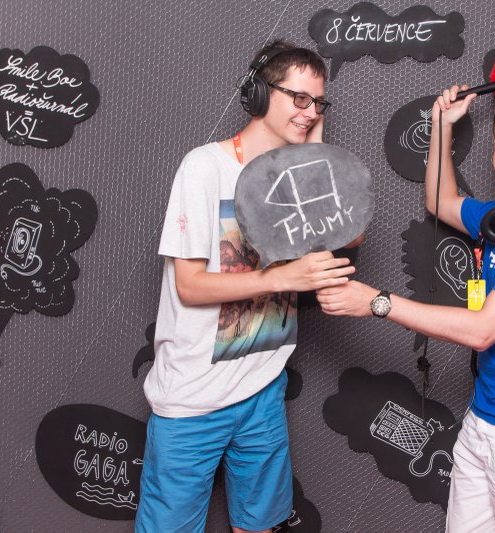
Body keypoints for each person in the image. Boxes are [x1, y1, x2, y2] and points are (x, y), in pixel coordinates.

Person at [317, 85, 495, 532]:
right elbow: (439, 201)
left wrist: (377, 302)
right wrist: (443, 125)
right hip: (486, 422)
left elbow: (482, 330)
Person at [136, 40, 356, 533]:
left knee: (261, 526)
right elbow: (189, 286)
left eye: (318, 103)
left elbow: (351, 231)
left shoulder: (298, 176)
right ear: (259, 94)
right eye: (299, 98)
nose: (310, 112)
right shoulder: (204, 167)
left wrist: (313, 157)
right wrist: (282, 277)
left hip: (261, 388)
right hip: (192, 399)